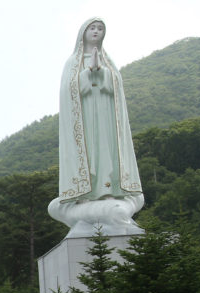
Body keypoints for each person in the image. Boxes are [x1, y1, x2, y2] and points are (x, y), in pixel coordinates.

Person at [50, 18, 143, 235]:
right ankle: (86, 192)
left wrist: (102, 72)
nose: (96, 32)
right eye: (92, 28)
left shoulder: (108, 61)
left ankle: (107, 189)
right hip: (83, 123)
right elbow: (68, 92)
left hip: (104, 117)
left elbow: (116, 89)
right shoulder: (72, 63)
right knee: (90, 154)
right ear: (83, 33)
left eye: (100, 29)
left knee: (105, 152)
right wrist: (87, 72)